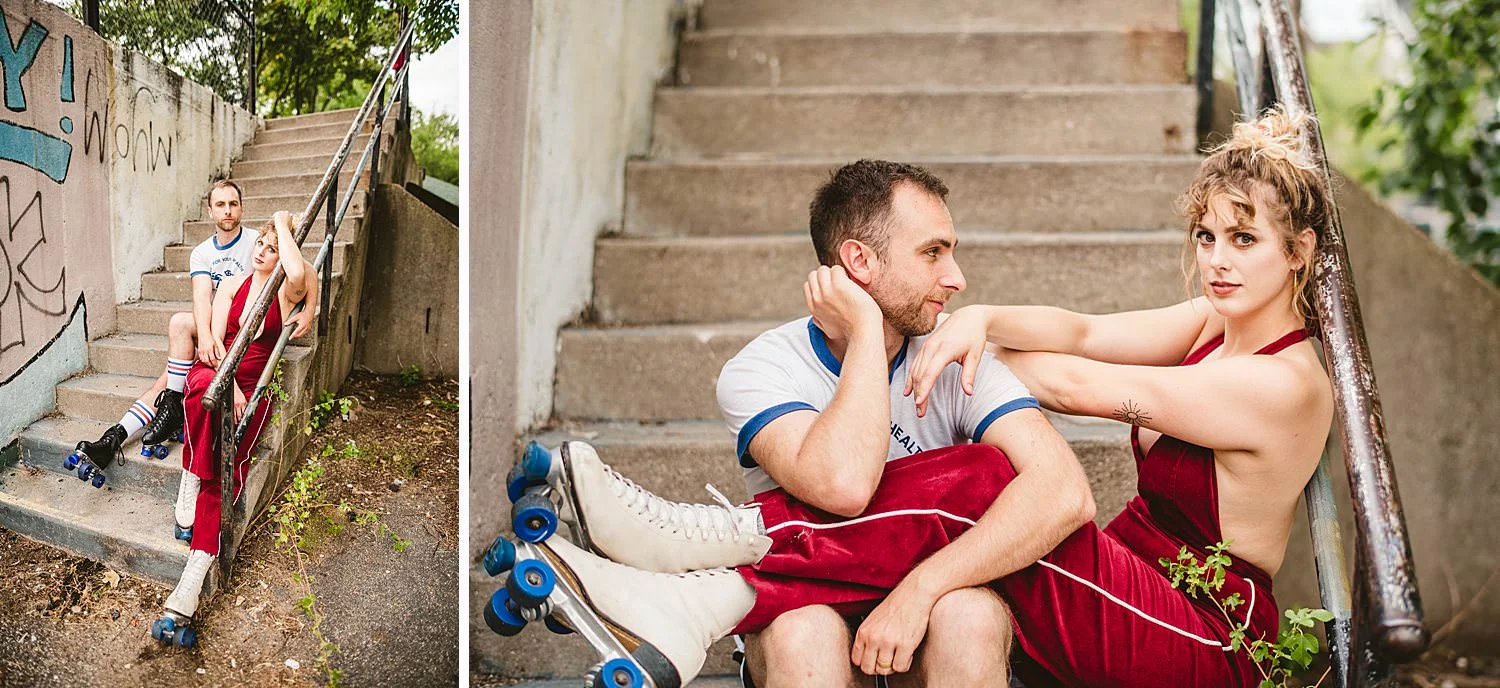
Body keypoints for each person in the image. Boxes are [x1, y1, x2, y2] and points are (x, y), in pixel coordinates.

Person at [490, 106, 1336, 688]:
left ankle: (724, 563)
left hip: (1205, 633)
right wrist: (986, 323)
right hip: (1127, 587)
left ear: (1297, 252)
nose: (1219, 259)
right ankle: (707, 584)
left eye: (1245, 240)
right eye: (1207, 236)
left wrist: (963, 347)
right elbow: (1078, 331)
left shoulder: (1283, 386)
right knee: (984, 493)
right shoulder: (1208, 322)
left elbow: (1079, 382)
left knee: (986, 482)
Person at [491, 159, 1095, 686]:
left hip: (929, 627)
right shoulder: (761, 369)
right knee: (800, 632)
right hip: (805, 613)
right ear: (857, 260)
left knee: (970, 612)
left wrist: (921, 589)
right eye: (932, 252)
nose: (957, 277)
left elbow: (1064, 493)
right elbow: (843, 486)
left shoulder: (955, 353)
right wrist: (865, 333)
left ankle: (696, 580)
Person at [63, 180, 316, 492]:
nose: (227, 211)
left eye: (233, 204)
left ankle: (131, 428)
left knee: (167, 380)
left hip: (238, 329)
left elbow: (301, 266)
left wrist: (310, 306)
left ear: (241, 208)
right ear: (209, 211)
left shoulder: (256, 240)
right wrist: (209, 337)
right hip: (212, 325)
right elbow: (200, 299)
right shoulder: (202, 253)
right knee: (182, 325)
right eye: (220, 205)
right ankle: (120, 434)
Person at [154, 210, 316, 640]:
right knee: (199, 389)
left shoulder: (284, 293)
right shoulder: (230, 285)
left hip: (252, 390)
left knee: (227, 470)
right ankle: (189, 472)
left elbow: (302, 270)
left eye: (273, 248)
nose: (263, 252)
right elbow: (215, 338)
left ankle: (191, 582)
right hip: (218, 373)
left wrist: (283, 222)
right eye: (260, 245)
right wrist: (229, 385)